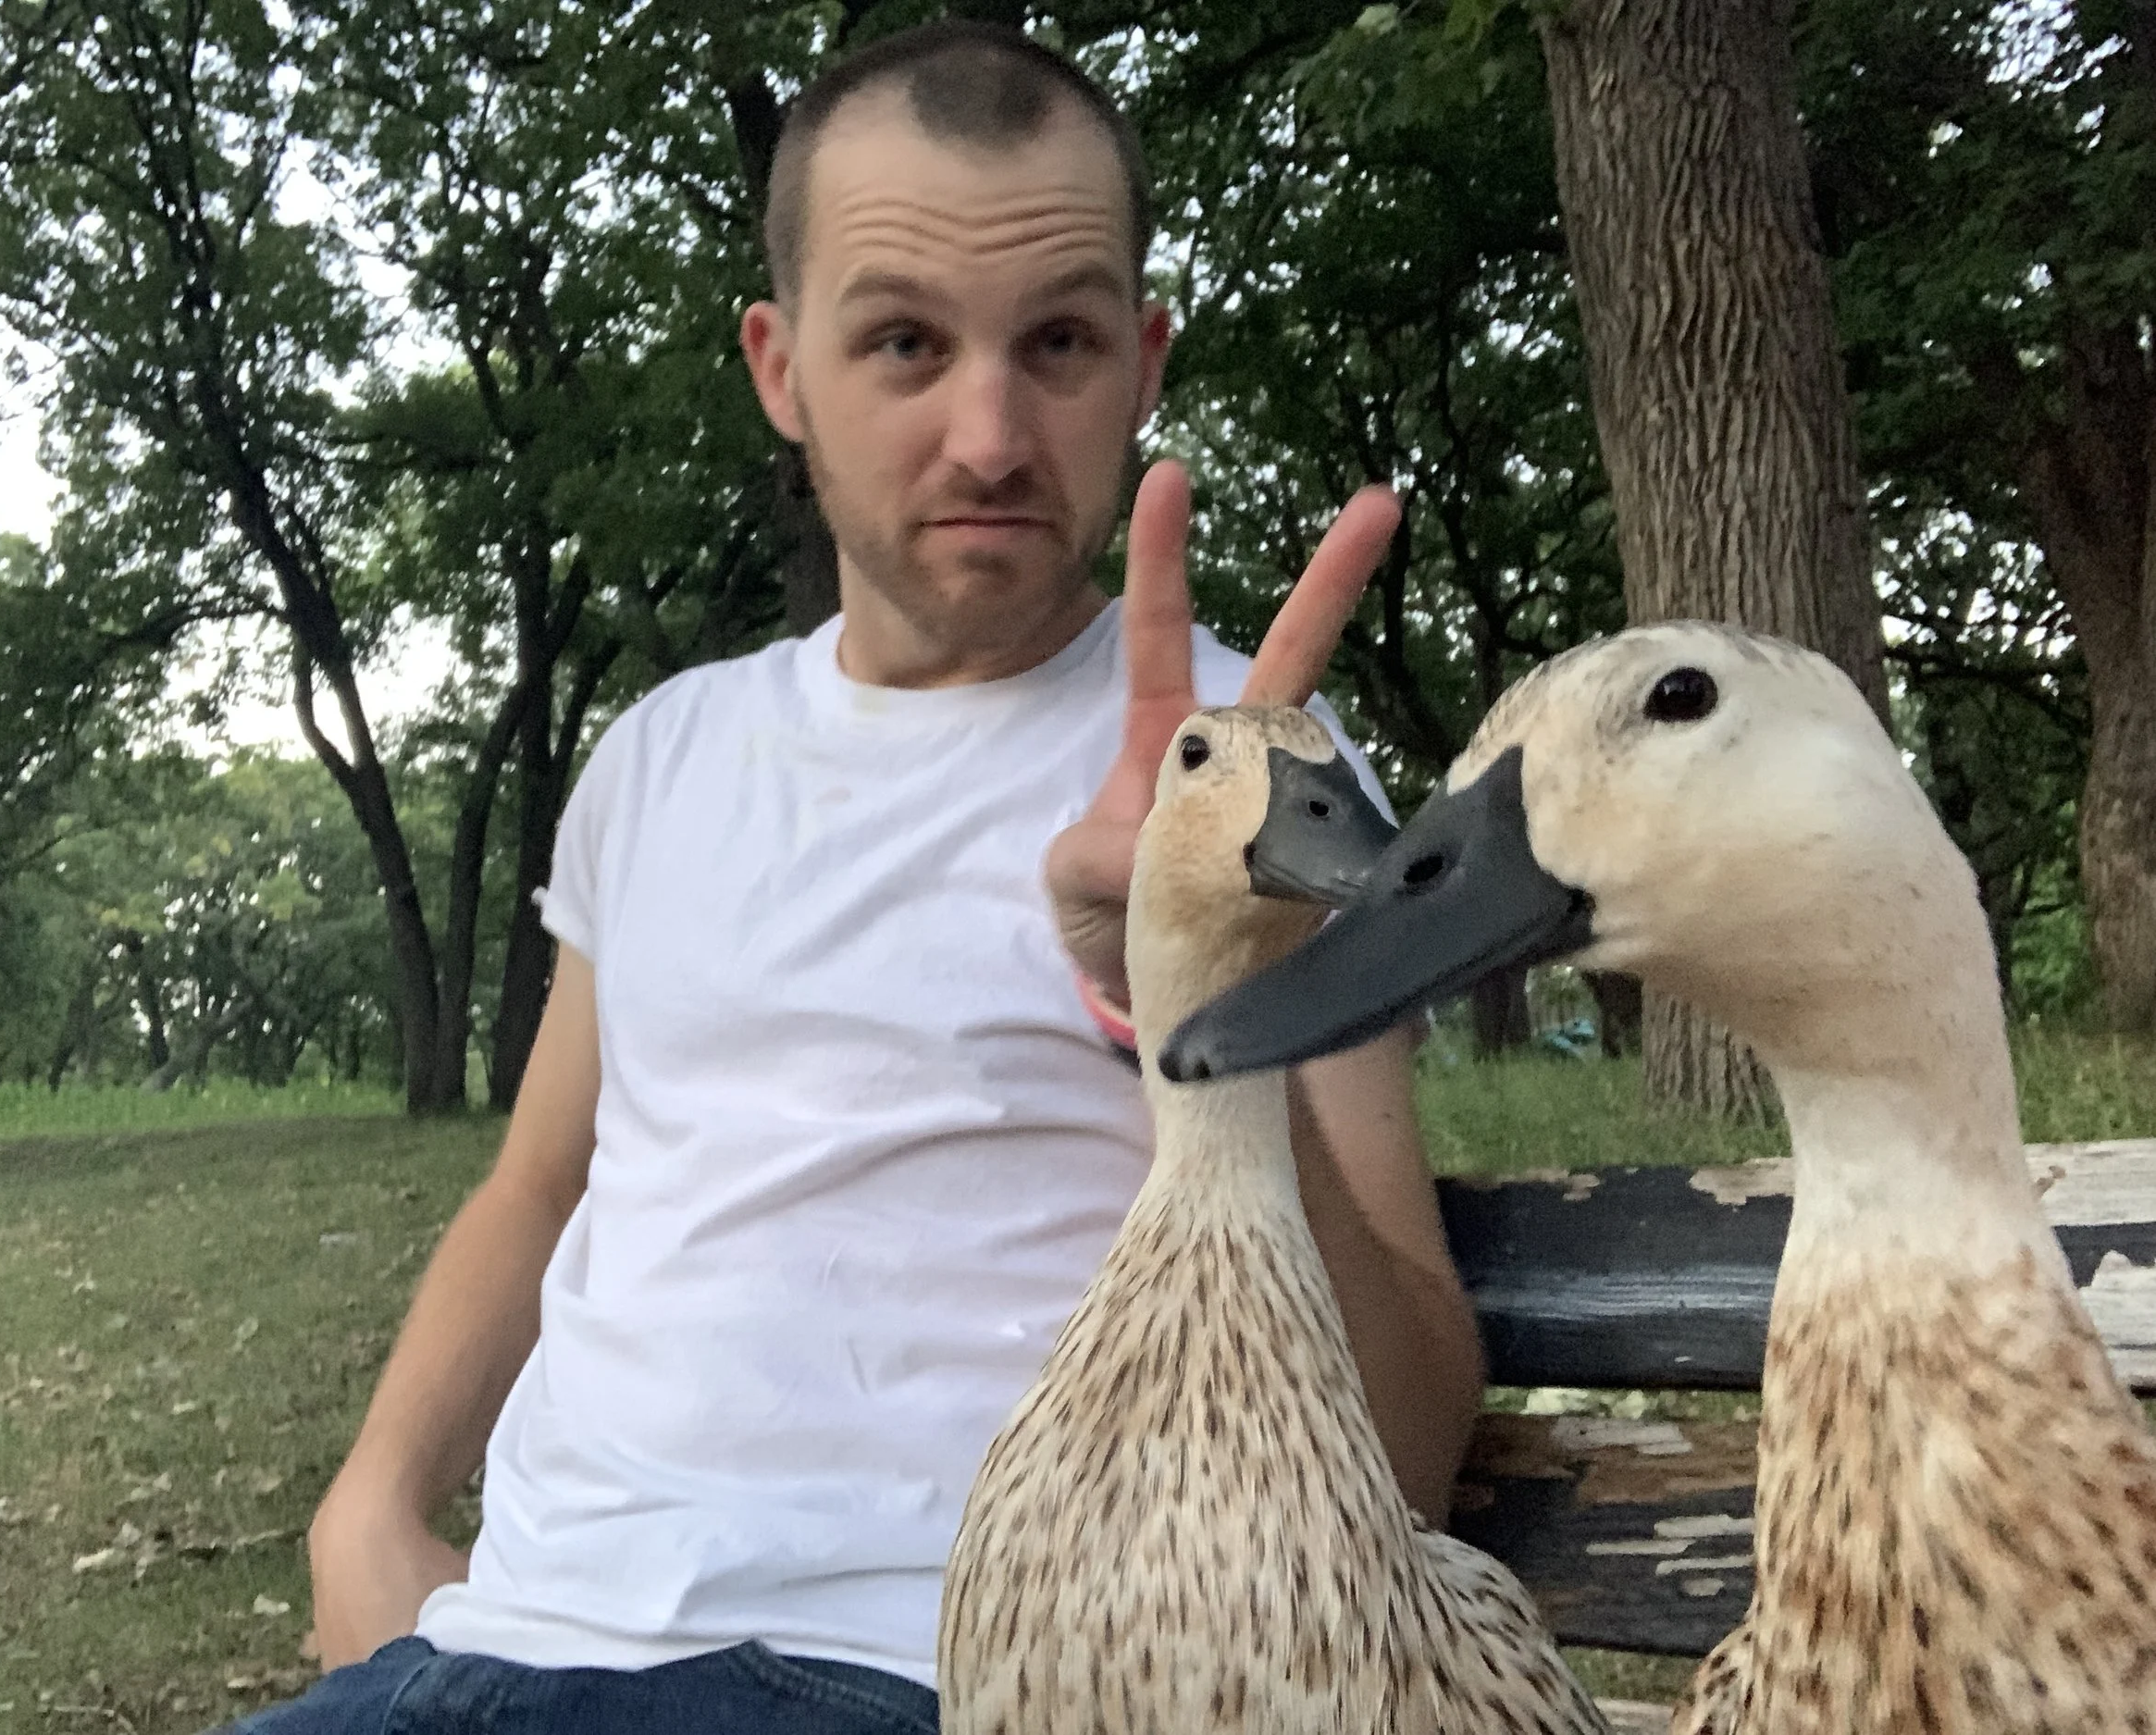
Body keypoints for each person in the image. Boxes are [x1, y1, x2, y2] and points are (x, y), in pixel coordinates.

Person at [241, 20, 1483, 1734]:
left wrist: (1207, 994)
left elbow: (1407, 1452)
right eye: (905, 341)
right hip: (484, 1659)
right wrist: (373, 1494)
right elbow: (542, 1181)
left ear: (1144, 361)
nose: (989, 434)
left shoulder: (1250, 774)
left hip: (926, 1671)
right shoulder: (661, 756)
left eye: (1059, 342)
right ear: (780, 366)